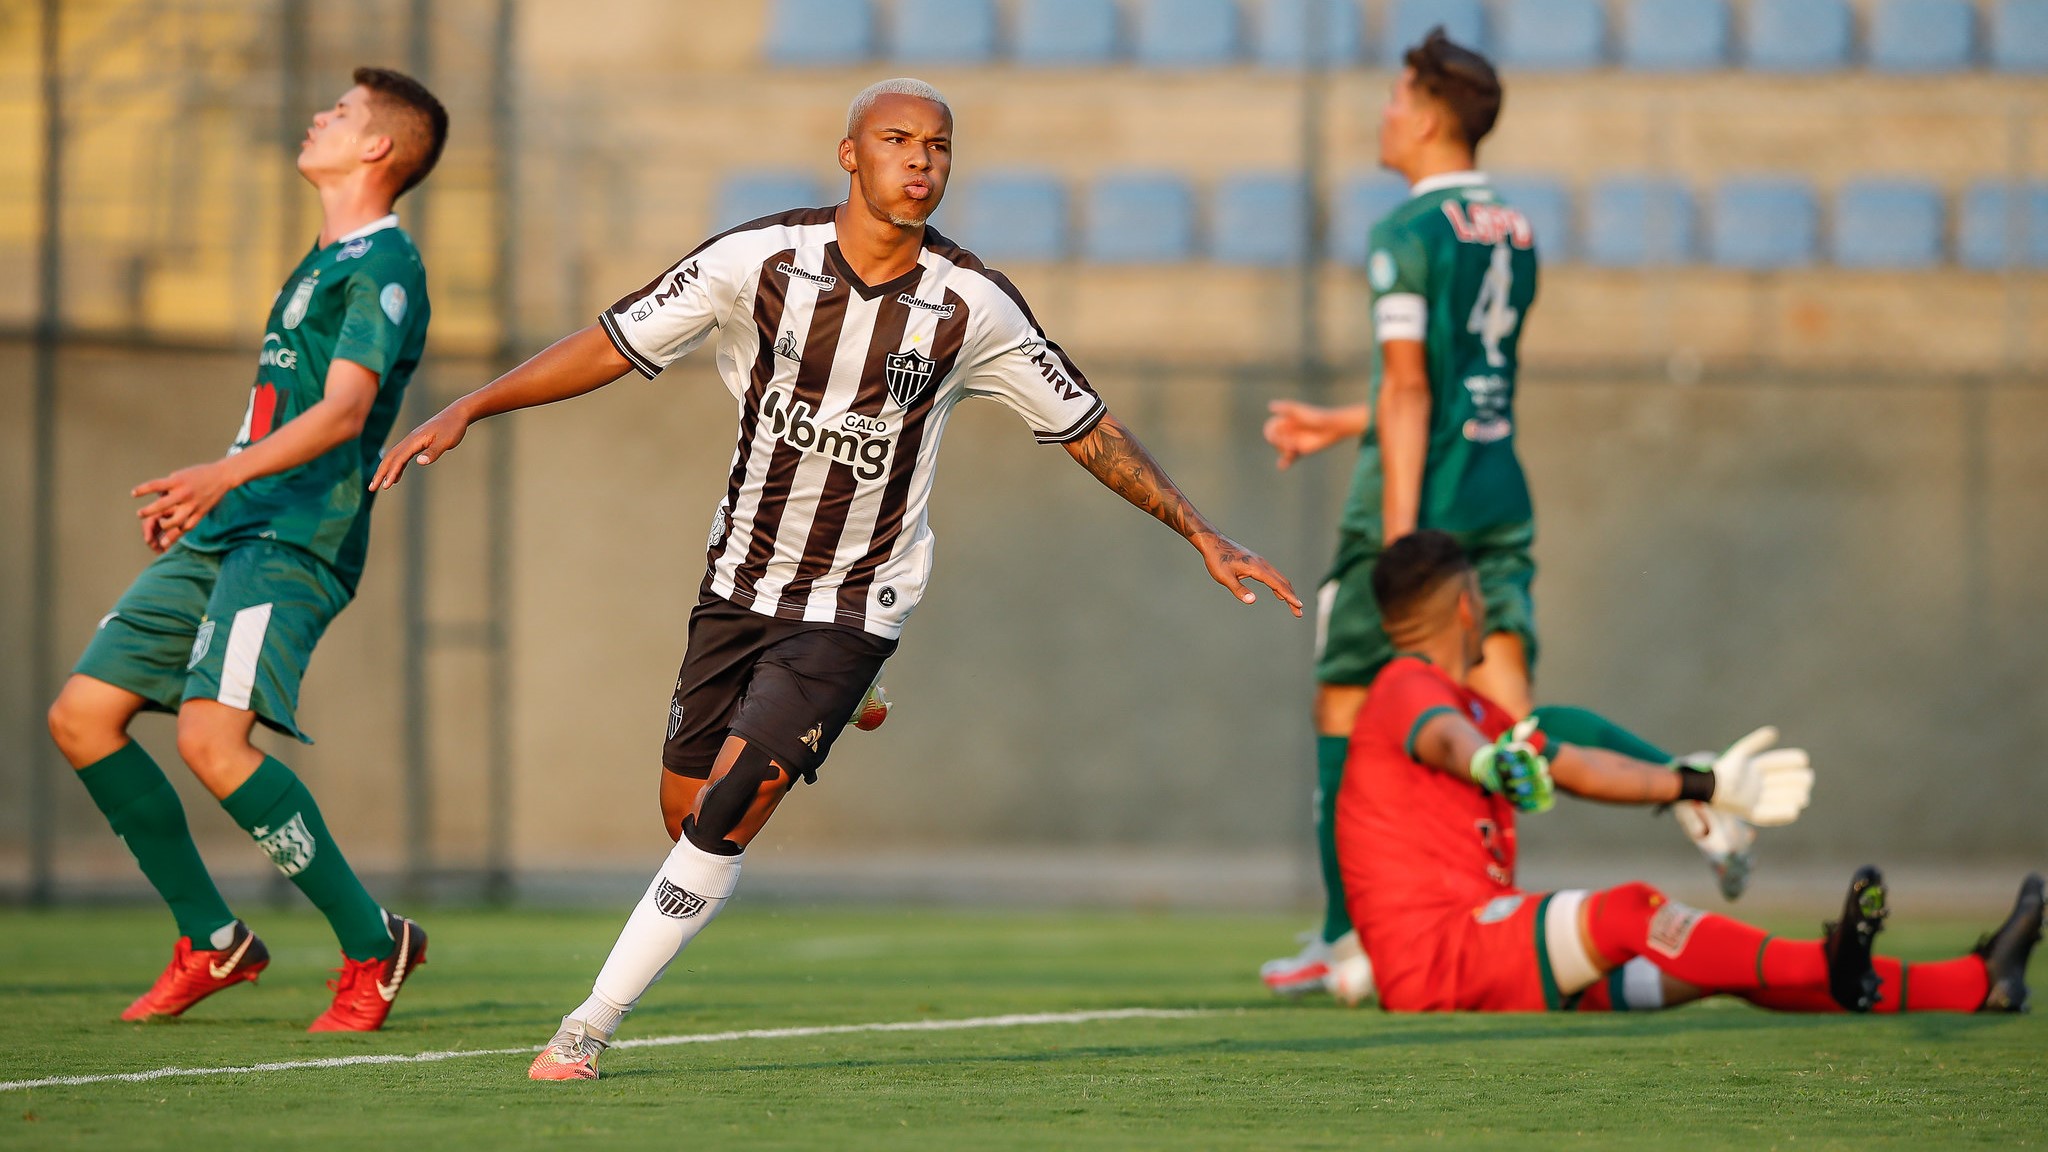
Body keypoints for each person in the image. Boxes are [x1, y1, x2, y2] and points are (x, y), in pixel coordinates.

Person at [367, 77, 1303, 1082]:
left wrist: (1199, 530)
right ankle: (849, 702)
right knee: (685, 817)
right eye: (896, 140)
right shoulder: (754, 261)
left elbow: (1085, 426)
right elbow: (614, 340)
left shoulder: (969, 304)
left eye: (937, 145)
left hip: (859, 598)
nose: (920, 160)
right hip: (737, 583)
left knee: (733, 807)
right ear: (848, 154)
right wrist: (471, 405)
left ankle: (587, 1025)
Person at [1258, 28, 1748, 1003]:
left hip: (1418, 510)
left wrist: (1397, 539)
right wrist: (1342, 422)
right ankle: (1694, 785)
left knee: (1343, 706)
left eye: (1396, 98)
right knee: (1511, 718)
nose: (1383, 115)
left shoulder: (1401, 235)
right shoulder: (1511, 228)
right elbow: (1463, 382)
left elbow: (1408, 391)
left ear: (1430, 115)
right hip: (1495, 494)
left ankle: (1336, 933)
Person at [43, 69, 448, 1031]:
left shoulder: (383, 265)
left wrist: (221, 478)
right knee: (82, 717)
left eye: (341, 114)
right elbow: (284, 405)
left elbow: (345, 413)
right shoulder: (318, 261)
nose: (319, 116)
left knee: (208, 741)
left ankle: (371, 942)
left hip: (295, 537)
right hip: (230, 521)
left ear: (377, 148)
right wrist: (212, 485)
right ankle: (213, 940)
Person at [1335, 531, 2040, 1015]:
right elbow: (1450, 743)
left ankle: (1978, 981)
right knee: (1627, 911)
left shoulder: (1475, 709)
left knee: (1708, 968)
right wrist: (1489, 761)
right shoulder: (1406, 684)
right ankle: (1833, 962)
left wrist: (1696, 784)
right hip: (1442, 956)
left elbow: (1577, 764)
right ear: (1466, 605)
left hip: (1478, 953)